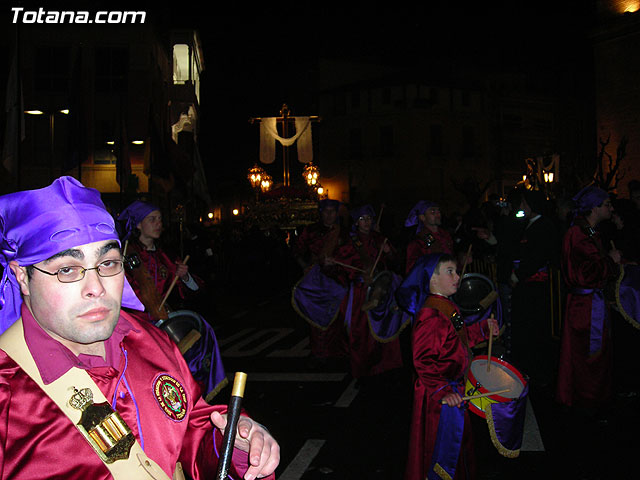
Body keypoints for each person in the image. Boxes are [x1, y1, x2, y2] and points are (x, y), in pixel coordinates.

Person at [0, 176, 280, 479]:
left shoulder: (150, 342)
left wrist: (237, 446)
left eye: (108, 263)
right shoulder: (8, 388)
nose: (97, 288)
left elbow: (194, 429)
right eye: (68, 269)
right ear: (22, 276)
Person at [397, 253, 498, 480]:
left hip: (452, 389)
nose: (457, 276)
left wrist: (483, 329)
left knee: (456, 445)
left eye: (456, 271)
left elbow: (457, 339)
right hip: (438, 395)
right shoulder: (431, 315)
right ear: (432, 280)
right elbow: (422, 360)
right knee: (440, 449)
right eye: (449, 272)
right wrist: (443, 390)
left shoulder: (446, 306)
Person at [118, 200, 227, 402]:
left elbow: (192, 290)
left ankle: (192, 397)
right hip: (135, 326)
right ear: (139, 225)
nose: (159, 223)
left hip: (164, 320)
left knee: (204, 332)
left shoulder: (165, 256)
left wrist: (185, 277)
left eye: (160, 219)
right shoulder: (124, 255)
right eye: (152, 219)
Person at [556, 185, 621, 415]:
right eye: (606, 205)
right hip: (584, 307)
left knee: (596, 352)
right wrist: (611, 262)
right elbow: (583, 274)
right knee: (586, 354)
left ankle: (594, 397)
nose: (610, 209)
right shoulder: (578, 234)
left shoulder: (590, 232)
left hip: (592, 303)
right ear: (594, 208)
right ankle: (587, 399)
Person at [329, 205, 407, 379]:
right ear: (356, 222)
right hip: (361, 292)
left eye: (369, 219)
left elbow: (396, 261)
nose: (367, 222)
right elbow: (340, 268)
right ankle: (363, 368)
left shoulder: (379, 238)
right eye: (362, 219)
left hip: (383, 286)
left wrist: (390, 253)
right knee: (361, 332)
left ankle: (387, 364)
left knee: (387, 326)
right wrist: (342, 267)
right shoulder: (351, 242)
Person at [509, 189, 559, 385]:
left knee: (534, 328)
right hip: (528, 285)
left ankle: (537, 370)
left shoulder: (543, 226)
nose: (521, 207)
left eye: (523, 203)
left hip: (535, 288)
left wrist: (518, 274)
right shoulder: (530, 225)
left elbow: (536, 257)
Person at [291, 199, 349, 362]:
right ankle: (319, 352)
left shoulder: (344, 232)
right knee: (316, 316)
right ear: (321, 212)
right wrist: (305, 267)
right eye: (326, 211)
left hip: (338, 279)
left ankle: (339, 350)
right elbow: (297, 251)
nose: (329, 214)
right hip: (317, 279)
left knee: (338, 316)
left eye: (332, 211)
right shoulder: (310, 231)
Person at [404, 201, 454, 273]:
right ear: (422, 217)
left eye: (438, 211)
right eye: (433, 212)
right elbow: (412, 270)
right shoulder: (418, 241)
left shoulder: (445, 235)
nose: (438, 214)